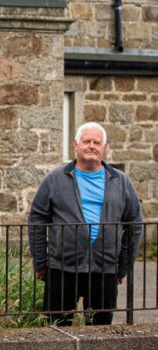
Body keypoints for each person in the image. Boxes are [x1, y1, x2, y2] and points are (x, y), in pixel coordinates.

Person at [29, 122, 143, 326]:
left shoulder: (121, 181)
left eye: (97, 142)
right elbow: (37, 219)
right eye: (87, 141)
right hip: (62, 268)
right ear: (76, 145)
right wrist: (41, 262)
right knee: (56, 328)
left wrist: (123, 265)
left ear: (104, 148)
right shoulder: (55, 179)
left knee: (100, 329)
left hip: (104, 269)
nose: (92, 146)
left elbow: (135, 224)